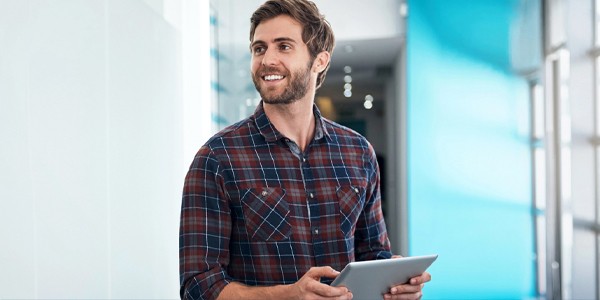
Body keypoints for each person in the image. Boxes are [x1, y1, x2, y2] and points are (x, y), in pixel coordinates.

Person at [179, 0, 431, 299]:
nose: (267, 59)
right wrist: (288, 296)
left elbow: (373, 254)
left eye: (283, 46)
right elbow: (198, 287)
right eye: (259, 48)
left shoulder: (358, 152)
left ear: (320, 61)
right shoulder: (217, 158)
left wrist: (395, 285)